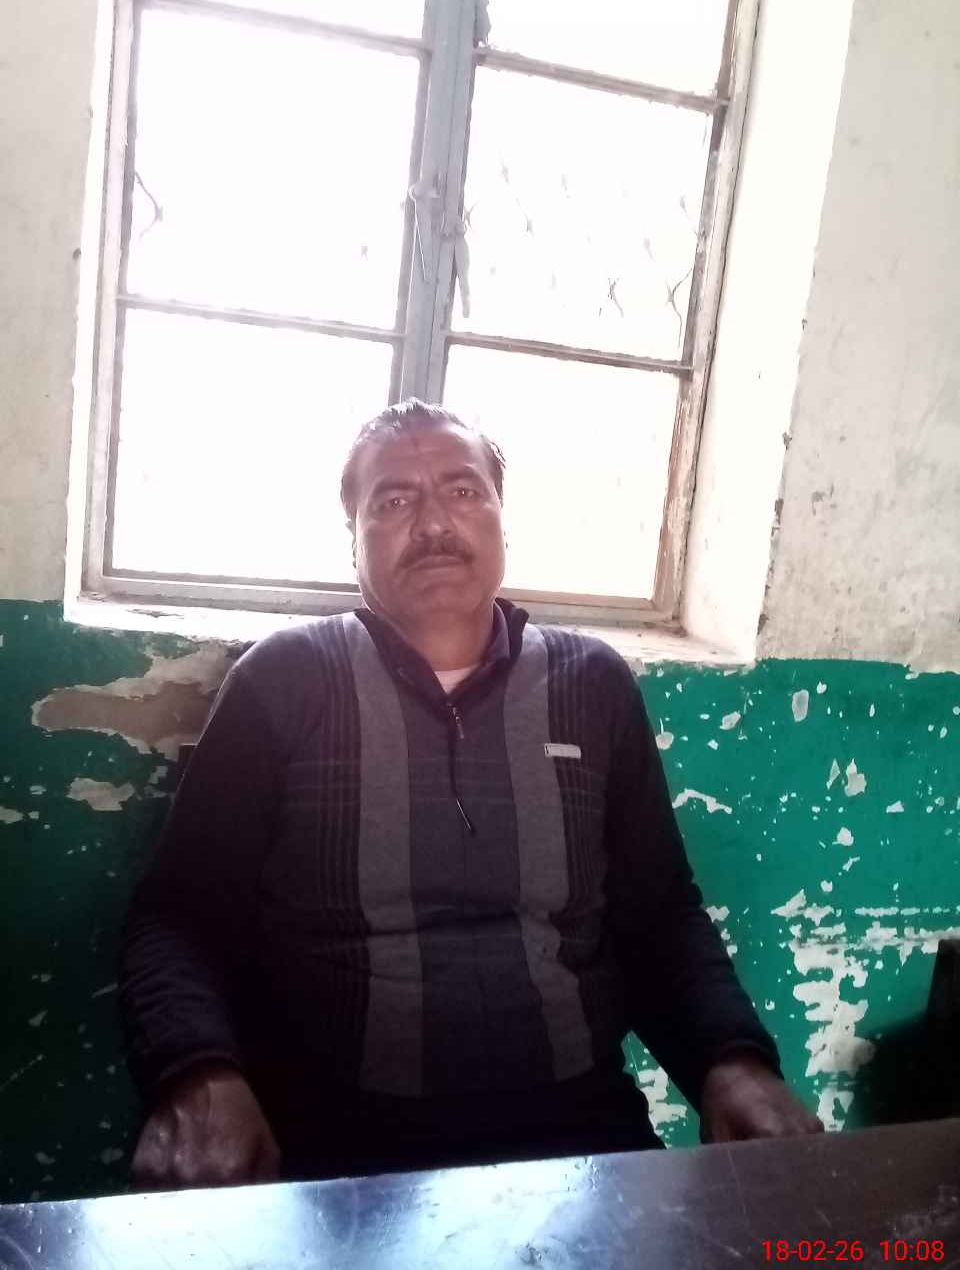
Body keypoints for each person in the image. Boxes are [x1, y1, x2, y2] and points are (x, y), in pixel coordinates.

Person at [119, 399, 821, 1190]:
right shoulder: (284, 681)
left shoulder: (590, 685)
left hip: (577, 1130)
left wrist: (732, 1060)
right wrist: (197, 1071)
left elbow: (658, 913)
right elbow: (177, 915)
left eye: (463, 491)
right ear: (352, 539)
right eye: (393, 501)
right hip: (331, 1137)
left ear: (500, 519)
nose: (433, 524)